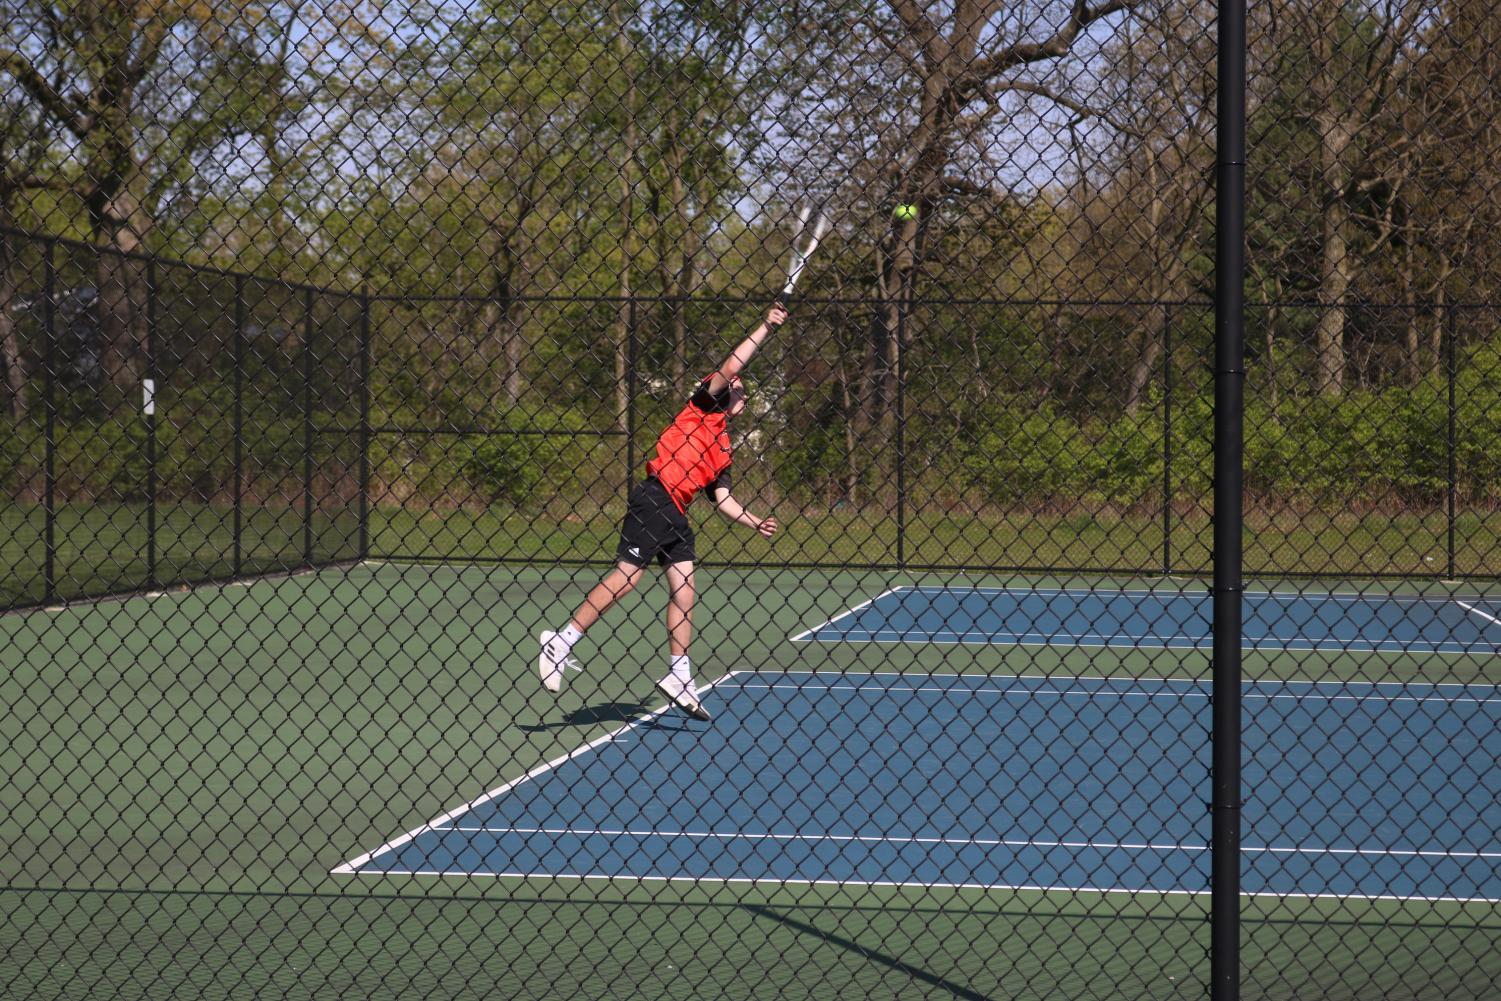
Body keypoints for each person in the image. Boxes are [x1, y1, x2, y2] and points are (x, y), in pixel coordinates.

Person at [536, 305, 787, 720]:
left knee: (685, 588)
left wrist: (754, 521)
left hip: (677, 513)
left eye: (742, 389)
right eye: (737, 386)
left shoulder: (724, 447)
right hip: (656, 497)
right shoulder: (703, 406)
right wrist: (765, 326)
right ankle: (560, 641)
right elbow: (732, 364)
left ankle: (679, 675)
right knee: (627, 580)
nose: (740, 390)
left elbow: (722, 499)